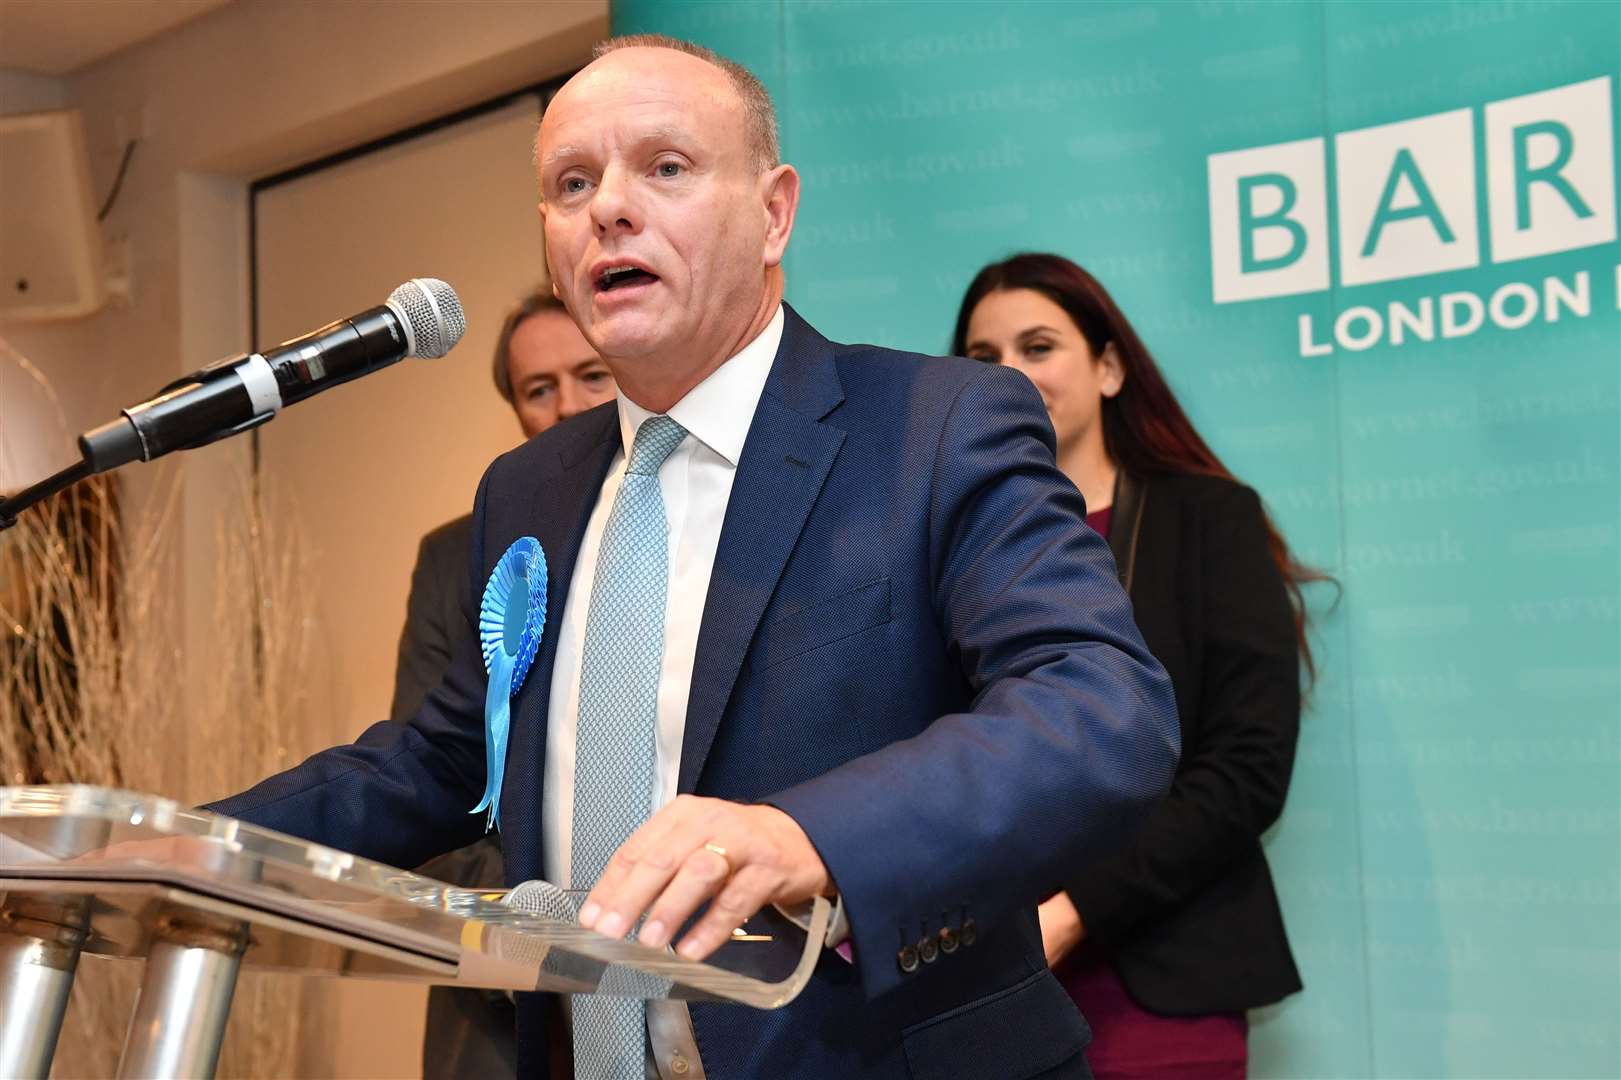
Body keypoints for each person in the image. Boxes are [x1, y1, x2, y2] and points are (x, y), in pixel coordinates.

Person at [209, 37, 1179, 1080]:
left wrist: (808, 837)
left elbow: (1097, 707)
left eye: (664, 169)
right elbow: (454, 758)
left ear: (773, 212)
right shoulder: (525, 488)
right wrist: (171, 848)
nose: (608, 210)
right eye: (571, 183)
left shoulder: (936, 427)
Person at [954, 253, 1317, 1079]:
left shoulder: (1208, 521)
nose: (1009, 375)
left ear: (1108, 368)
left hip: (1160, 979)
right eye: (981, 359)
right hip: (982, 988)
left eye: (1037, 347)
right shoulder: (944, 542)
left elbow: (1246, 771)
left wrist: (1077, 910)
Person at [397, 291, 614, 1080]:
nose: (566, 406)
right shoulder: (457, 557)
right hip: (506, 1005)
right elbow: (431, 784)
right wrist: (552, 929)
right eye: (537, 389)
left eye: (592, 375)